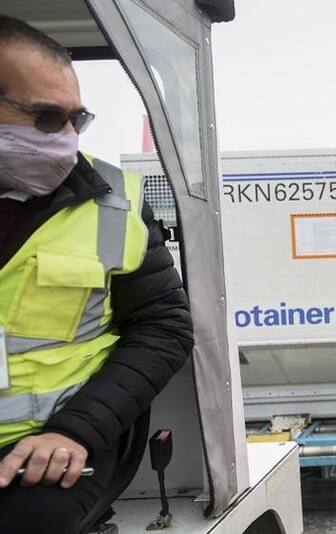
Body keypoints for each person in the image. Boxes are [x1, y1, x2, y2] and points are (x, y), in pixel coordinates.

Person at [0, 16, 193, 534]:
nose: (64, 138)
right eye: (45, 119)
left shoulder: (115, 205)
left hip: (58, 443)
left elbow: (165, 327)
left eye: (74, 120)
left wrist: (77, 431)